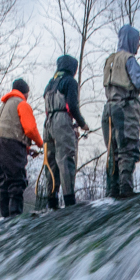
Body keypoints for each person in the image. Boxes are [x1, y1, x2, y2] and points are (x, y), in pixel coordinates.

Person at [101, 26, 140, 198]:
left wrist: (137, 90)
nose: (138, 46)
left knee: (113, 151)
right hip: (124, 111)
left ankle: (112, 191)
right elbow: (138, 81)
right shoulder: (129, 59)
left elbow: (118, 84)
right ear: (131, 41)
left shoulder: (110, 59)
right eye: (137, 42)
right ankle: (126, 189)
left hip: (108, 109)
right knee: (127, 148)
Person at [40, 56, 90, 208]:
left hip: (47, 124)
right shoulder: (70, 82)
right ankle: (70, 203)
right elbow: (72, 106)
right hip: (62, 121)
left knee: (51, 164)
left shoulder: (50, 83)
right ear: (72, 68)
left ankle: (52, 202)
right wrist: (82, 123)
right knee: (66, 160)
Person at [0, 80, 42, 217]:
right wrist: (41, 143)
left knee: (4, 183)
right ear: (25, 92)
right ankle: (15, 219)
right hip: (10, 144)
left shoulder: (4, 106)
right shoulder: (22, 103)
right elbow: (30, 129)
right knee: (17, 181)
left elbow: (8, 130)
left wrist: (27, 149)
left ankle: (5, 219)